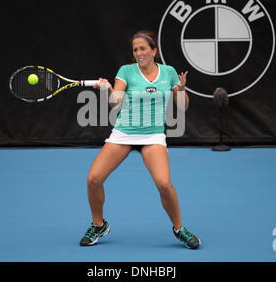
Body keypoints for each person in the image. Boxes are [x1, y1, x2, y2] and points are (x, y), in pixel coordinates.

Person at [79, 30, 200, 249]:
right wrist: (107, 90)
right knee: (93, 179)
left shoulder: (169, 72)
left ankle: (179, 229)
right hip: (124, 133)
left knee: (164, 185)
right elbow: (115, 102)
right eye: (135, 49)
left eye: (143, 48)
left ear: (154, 51)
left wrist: (181, 90)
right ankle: (98, 225)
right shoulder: (126, 71)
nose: (138, 53)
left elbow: (183, 107)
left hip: (153, 136)